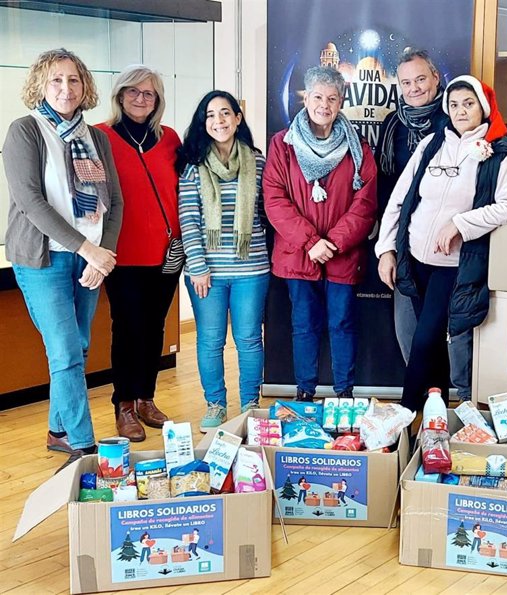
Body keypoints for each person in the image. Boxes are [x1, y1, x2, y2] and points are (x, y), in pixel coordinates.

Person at [376, 74, 507, 412]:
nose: (461, 111)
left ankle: (405, 416)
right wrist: (386, 249)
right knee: (431, 349)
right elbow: (400, 199)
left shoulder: (500, 154)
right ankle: (436, 417)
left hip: (454, 266)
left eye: (469, 104)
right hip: (414, 260)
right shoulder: (431, 144)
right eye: (454, 104)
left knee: (426, 339)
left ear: (483, 108)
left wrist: (461, 223)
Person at [2, 48, 123, 461]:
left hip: (88, 257)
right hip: (44, 260)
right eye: (56, 79)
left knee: (80, 346)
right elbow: (32, 202)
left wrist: (100, 254)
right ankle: (84, 446)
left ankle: (58, 430)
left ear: (85, 86)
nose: (65, 88)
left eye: (73, 80)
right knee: (67, 351)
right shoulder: (25, 131)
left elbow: (115, 203)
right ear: (40, 83)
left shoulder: (97, 139)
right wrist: (87, 249)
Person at [263, 66, 377, 402]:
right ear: (305, 98)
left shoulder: (358, 148)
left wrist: (335, 242)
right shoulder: (282, 144)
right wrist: (311, 242)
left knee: (342, 324)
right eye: (317, 97)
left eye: (331, 98)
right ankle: (305, 392)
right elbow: (274, 198)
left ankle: (344, 393)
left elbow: (366, 202)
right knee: (303, 325)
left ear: (341, 101)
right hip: (298, 254)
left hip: (344, 254)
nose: (324, 105)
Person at [376, 49, 474, 400]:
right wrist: (386, 246)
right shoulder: (392, 125)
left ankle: (434, 408)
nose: (414, 87)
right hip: (408, 245)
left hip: (452, 255)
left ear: (436, 78)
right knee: (410, 332)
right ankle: (426, 408)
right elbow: (389, 190)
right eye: (406, 82)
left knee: (440, 334)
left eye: (421, 79)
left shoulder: (455, 123)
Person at [96, 65, 181, 442]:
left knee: (155, 328)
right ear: (120, 95)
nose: (140, 98)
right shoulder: (101, 137)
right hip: (121, 253)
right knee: (127, 328)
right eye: (133, 91)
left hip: (166, 253)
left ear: (157, 100)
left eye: (149, 93)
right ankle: (124, 404)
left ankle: (146, 398)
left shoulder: (170, 139)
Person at [178, 91, 270, 429]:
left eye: (225, 113)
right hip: (207, 273)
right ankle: (215, 404)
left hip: (252, 269)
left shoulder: (259, 163)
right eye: (211, 115)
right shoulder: (193, 167)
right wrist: (198, 266)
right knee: (210, 339)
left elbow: (266, 215)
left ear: (237, 118)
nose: (219, 121)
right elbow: (188, 219)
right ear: (204, 123)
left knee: (248, 338)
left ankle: (250, 405)